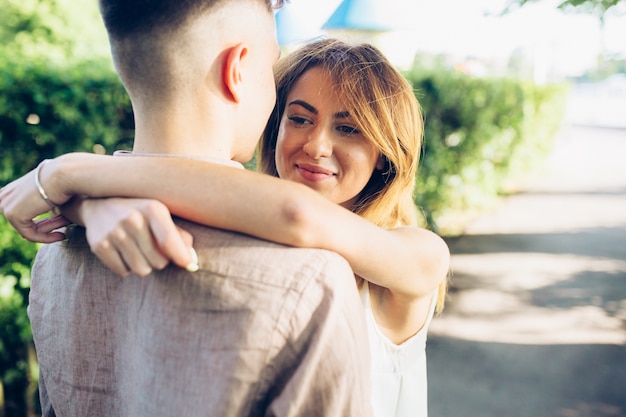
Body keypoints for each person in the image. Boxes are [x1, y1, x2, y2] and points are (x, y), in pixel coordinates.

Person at [1, 38, 450, 416]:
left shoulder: (420, 254)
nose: (316, 145)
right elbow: (195, 192)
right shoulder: (255, 219)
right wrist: (92, 208)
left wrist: (68, 174)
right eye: (300, 118)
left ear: (386, 155)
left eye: (348, 129)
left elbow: (298, 216)